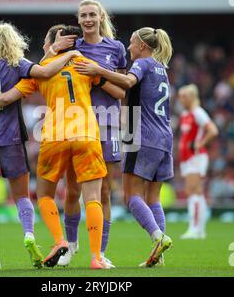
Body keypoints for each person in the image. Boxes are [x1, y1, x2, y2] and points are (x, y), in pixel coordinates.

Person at [0, 24, 126, 270]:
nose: (43, 45)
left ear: (57, 42)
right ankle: (96, 257)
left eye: (46, 41)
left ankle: (59, 241)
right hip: (86, 133)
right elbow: (118, 91)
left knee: (44, 196)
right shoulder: (85, 64)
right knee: (93, 198)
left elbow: (7, 97)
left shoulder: (41, 71)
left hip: (54, 136)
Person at [0, 21, 81, 270]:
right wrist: (68, 53)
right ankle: (29, 235)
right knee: (23, 196)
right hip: (12, 138)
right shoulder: (17, 64)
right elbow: (45, 71)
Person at [74, 26, 174, 267]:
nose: (128, 47)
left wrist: (98, 70)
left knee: (130, 196)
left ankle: (158, 237)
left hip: (139, 133)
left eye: (131, 42)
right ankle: (158, 255)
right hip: (164, 136)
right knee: (153, 198)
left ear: (142, 45)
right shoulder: (162, 69)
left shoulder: (143, 63)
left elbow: (128, 82)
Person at [45, 0, 127, 268]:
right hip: (75, 127)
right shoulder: (73, 46)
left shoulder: (115, 48)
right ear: (78, 20)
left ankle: (100, 252)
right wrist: (53, 49)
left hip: (106, 123)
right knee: (71, 191)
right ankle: (70, 246)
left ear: (101, 16)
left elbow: (122, 90)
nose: (88, 19)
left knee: (104, 192)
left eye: (93, 14)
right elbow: (41, 71)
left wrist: (98, 72)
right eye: (84, 15)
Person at [178, 84, 218, 239]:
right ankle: (200, 230)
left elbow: (213, 130)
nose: (181, 99)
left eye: (184, 96)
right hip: (188, 158)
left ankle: (194, 228)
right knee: (197, 192)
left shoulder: (198, 113)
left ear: (192, 97)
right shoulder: (185, 114)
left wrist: (200, 144)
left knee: (192, 191)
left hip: (196, 157)